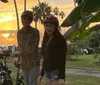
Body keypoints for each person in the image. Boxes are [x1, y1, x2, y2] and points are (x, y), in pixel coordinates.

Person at [37, 14, 67, 85]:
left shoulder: (60, 39)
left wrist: (61, 77)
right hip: (47, 72)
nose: (48, 28)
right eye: (46, 26)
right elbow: (45, 58)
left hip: (56, 72)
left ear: (55, 27)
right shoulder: (46, 38)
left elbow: (62, 59)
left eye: (51, 26)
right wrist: (41, 74)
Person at [12, 10, 40, 85]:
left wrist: (18, 53)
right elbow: (20, 47)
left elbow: (32, 48)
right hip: (24, 64)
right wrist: (17, 60)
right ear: (22, 20)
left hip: (33, 64)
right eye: (24, 18)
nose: (26, 20)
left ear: (31, 21)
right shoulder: (19, 33)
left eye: (28, 19)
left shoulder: (35, 32)